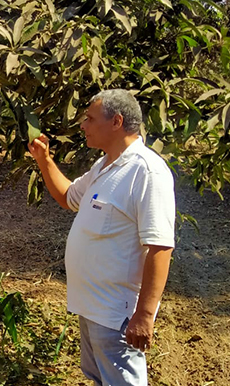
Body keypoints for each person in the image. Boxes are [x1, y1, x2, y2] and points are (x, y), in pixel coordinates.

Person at [28, 89, 175, 385]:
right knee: (98, 378)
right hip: (91, 307)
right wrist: (43, 160)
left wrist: (145, 315)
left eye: (90, 119)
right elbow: (69, 196)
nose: (83, 125)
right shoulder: (105, 165)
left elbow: (160, 246)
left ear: (116, 122)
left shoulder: (146, 172)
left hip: (116, 313)